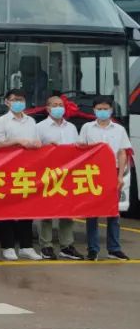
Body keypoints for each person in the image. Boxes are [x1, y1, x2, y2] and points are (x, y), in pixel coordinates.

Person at [0, 88, 43, 260]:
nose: (18, 103)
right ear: (7, 102)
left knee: (27, 207)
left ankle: (26, 246)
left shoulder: (31, 121)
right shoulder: (1, 121)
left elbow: (36, 141)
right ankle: (8, 246)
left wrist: (36, 144)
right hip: (7, 169)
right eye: (15, 100)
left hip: (27, 169)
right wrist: (17, 142)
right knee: (7, 208)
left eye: (21, 99)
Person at [78, 95, 130, 261]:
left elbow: (122, 153)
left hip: (113, 171)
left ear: (111, 110)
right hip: (92, 173)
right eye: (99, 109)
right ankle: (93, 249)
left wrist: (120, 176)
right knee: (92, 213)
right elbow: (80, 149)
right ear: (94, 110)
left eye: (105, 109)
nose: (102, 112)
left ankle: (114, 249)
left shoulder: (119, 129)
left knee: (113, 212)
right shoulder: (87, 127)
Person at [35, 94, 83, 260]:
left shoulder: (71, 127)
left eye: (60, 105)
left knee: (68, 211)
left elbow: (77, 149)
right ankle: (46, 246)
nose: (58, 108)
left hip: (68, 173)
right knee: (47, 212)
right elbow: (34, 152)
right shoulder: (39, 127)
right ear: (47, 108)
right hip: (48, 174)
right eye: (54, 105)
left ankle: (67, 246)